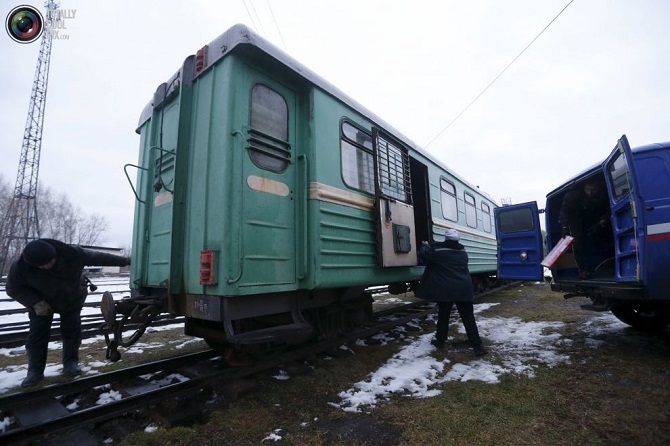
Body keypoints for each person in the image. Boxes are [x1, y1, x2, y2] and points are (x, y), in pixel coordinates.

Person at [5, 239, 131, 387]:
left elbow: (98, 257)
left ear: (55, 254)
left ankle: (71, 363)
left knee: (72, 331)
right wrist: (35, 302)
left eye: (49, 261)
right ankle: (35, 371)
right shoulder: (20, 268)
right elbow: (13, 289)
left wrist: (125, 261)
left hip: (71, 299)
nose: (46, 266)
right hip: (42, 303)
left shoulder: (72, 254)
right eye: (41, 265)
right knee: (37, 336)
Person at [416, 229, 487, 356]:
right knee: (468, 318)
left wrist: (425, 245)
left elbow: (425, 255)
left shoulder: (438, 251)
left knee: (444, 316)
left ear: (446, 239)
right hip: (463, 288)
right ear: (457, 240)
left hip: (446, 290)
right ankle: (477, 346)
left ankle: (440, 341)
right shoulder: (463, 252)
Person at [559, 179, 610, 280]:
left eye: (593, 190)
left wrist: (600, 223)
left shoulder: (604, 194)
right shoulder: (572, 195)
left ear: (599, 188)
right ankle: (583, 270)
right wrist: (564, 227)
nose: (590, 193)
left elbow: (610, 210)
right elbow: (564, 212)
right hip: (576, 218)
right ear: (583, 187)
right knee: (577, 241)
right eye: (588, 189)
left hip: (594, 216)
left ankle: (607, 262)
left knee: (602, 235)